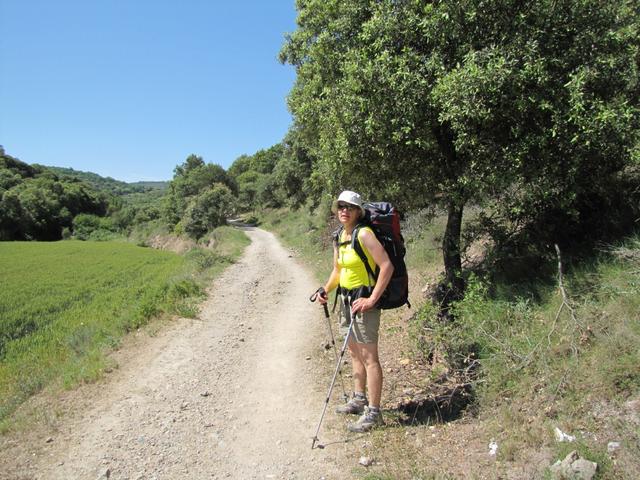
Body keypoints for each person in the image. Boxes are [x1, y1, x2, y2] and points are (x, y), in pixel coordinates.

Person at [317, 190, 394, 433]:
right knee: (354, 354)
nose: (344, 210)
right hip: (346, 301)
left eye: (349, 207)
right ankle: (359, 399)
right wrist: (325, 289)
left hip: (364, 303)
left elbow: (386, 266)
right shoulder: (340, 236)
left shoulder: (364, 234)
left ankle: (374, 413)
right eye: (340, 206)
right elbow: (338, 272)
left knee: (370, 358)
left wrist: (372, 300)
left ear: (358, 211)